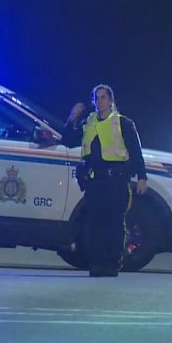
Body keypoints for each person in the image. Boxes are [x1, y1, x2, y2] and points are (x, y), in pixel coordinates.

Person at [63, 83, 147, 277]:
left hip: (116, 181)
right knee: (95, 223)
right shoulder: (89, 122)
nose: (99, 101)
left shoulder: (123, 123)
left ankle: (112, 263)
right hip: (95, 181)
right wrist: (72, 119)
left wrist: (142, 178)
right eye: (96, 98)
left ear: (111, 100)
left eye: (103, 97)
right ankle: (97, 263)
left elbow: (135, 153)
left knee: (115, 223)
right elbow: (68, 140)